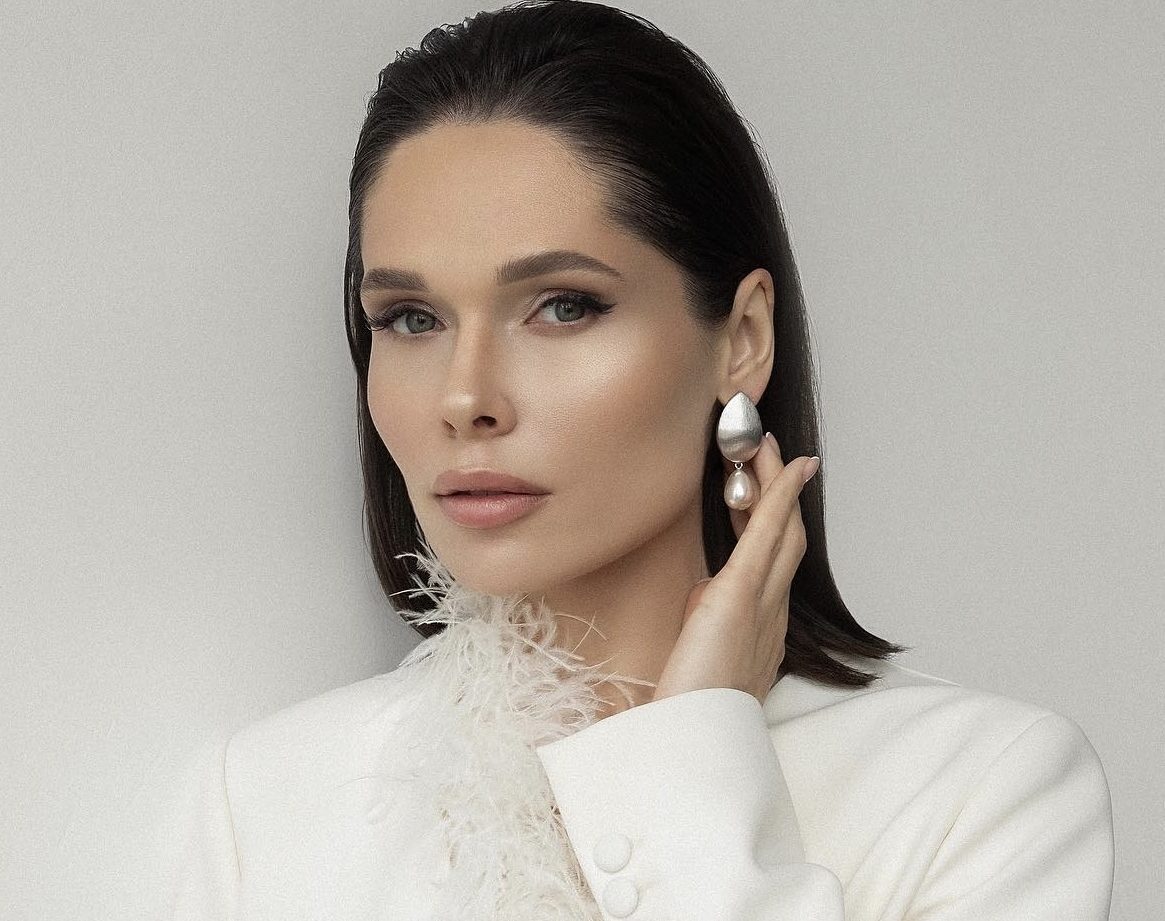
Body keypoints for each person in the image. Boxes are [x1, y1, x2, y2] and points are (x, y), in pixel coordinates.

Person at [169, 1, 1115, 918]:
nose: (465, 398)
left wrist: (690, 752)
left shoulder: (977, 792)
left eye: (563, 306)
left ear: (740, 338)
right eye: (410, 319)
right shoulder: (271, 800)